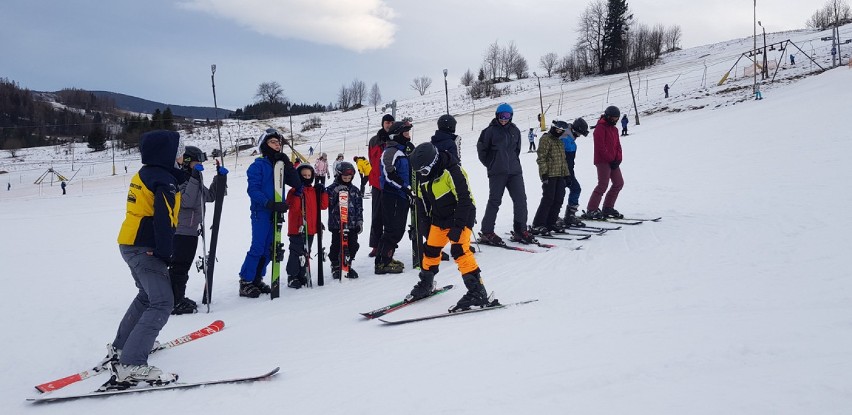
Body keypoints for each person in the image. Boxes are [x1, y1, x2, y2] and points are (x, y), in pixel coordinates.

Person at [107, 130, 186, 389]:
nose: (182, 157)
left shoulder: (147, 173)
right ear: (167, 155)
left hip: (129, 243)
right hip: (145, 248)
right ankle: (131, 364)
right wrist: (166, 252)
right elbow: (163, 220)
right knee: (163, 302)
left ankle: (121, 348)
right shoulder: (163, 180)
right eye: (179, 153)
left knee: (146, 296)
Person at [407, 142, 497, 312]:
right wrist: (425, 225)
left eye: (424, 170)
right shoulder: (423, 176)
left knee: (459, 251)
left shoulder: (453, 171)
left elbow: (465, 200)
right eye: (419, 172)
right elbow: (421, 202)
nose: (422, 174)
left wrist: (458, 227)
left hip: (461, 216)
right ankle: (427, 283)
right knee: (431, 250)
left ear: (433, 162)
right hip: (439, 218)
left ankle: (477, 292)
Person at [238, 129, 301, 298]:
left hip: (277, 213)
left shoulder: (279, 165)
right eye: (273, 142)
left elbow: (297, 184)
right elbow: (253, 190)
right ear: (264, 145)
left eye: (278, 142)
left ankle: (257, 278)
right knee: (258, 247)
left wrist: (287, 164)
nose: (277, 145)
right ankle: (245, 281)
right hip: (262, 212)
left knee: (270, 249)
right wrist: (269, 203)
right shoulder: (258, 165)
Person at [169, 146, 226, 315]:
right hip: (180, 231)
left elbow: (209, 197)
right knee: (179, 266)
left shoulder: (194, 177)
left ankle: (178, 297)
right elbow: (185, 201)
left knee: (184, 266)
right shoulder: (176, 178)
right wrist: (194, 178)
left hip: (192, 230)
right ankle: (174, 301)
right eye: (197, 161)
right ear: (187, 161)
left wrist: (219, 178)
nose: (200, 165)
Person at [475, 103, 536, 246]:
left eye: (507, 116)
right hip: (497, 172)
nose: (504, 119)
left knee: (521, 199)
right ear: (497, 116)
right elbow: (482, 151)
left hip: (514, 171)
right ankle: (487, 232)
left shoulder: (515, 130)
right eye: (501, 116)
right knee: (495, 201)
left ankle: (520, 230)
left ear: (511, 116)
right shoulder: (489, 131)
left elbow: (517, 150)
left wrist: (512, 163)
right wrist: (492, 164)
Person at [376, 120, 413, 274]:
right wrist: (405, 187)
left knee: (398, 229)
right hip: (393, 195)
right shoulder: (391, 151)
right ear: (397, 134)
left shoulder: (402, 150)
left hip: (402, 195)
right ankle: (382, 262)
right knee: (392, 230)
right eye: (405, 132)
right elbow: (389, 175)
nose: (408, 135)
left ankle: (387, 257)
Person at [285, 164, 328, 289]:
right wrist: (298, 194)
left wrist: (323, 192)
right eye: (304, 175)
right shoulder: (293, 191)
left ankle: (302, 274)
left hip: (311, 228)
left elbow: (324, 206)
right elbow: (293, 208)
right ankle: (292, 276)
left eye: (309, 175)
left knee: (306, 252)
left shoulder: (314, 191)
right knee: (296, 252)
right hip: (297, 228)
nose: (307, 178)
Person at [581, 106, 625, 220]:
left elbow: (617, 146)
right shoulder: (600, 128)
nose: (615, 120)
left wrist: (618, 159)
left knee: (619, 183)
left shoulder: (614, 129)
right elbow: (601, 147)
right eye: (614, 118)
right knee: (603, 184)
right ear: (608, 116)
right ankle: (592, 209)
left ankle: (608, 207)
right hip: (602, 161)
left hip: (613, 161)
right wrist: (611, 159)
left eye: (617, 118)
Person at [531, 120, 571, 235]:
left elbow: (563, 161)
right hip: (550, 175)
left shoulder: (559, 142)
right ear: (553, 128)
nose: (559, 132)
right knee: (548, 199)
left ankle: (551, 222)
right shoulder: (546, 139)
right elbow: (541, 158)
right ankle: (538, 224)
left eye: (561, 131)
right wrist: (544, 174)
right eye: (558, 129)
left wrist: (567, 175)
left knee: (559, 199)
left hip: (560, 175)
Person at [326, 161, 364, 279]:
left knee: (353, 244)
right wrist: (336, 191)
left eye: (349, 177)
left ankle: (347, 263)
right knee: (337, 245)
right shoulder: (332, 189)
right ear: (338, 175)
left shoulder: (355, 190)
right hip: (337, 224)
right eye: (344, 177)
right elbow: (328, 202)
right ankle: (336, 265)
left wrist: (359, 221)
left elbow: (359, 207)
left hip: (352, 224)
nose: (347, 179)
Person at [367, 114, 395, 258]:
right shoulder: (374, 140)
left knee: (390, 217)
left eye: (391, 122)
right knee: (376, 215)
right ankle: (376, 245)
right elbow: (372, 160)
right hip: (377, 183)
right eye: (387, 122)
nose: (389, 125)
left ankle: (389, 246)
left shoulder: (396, 138)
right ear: (383, 123)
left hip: (391, 184)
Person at [557, 118, 590, 228]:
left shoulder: (570, 138)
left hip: (569, 171)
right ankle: (554, 216)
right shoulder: (565, 137)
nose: (579, 136)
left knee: (575, 189)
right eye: (579, 134)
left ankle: (570, 215)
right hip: (560, 171)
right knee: (558, 193)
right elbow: (561, 159)